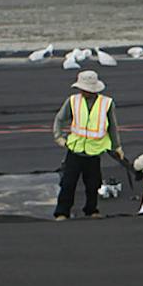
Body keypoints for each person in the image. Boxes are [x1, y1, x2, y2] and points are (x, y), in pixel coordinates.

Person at [53, 69, 126, 220]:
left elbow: (112, 126)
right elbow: (60, 119)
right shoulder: (73, 101)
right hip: (75, 150)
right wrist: (58, 137)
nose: (85, 92)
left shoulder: (107, 103)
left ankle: (91, 210)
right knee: (68, 183)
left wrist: (117, 146)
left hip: (94, 151)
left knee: (93, 184)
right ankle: (62, 212)